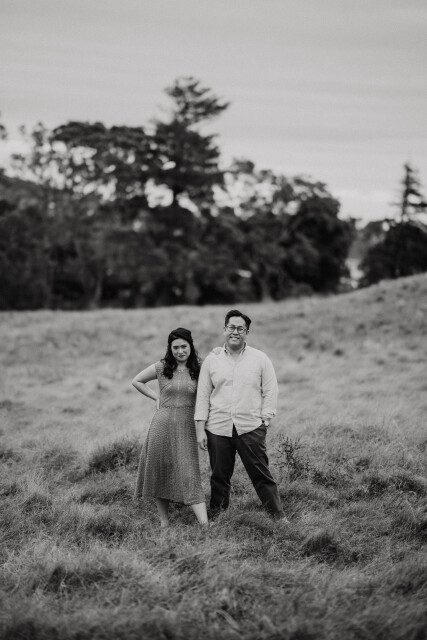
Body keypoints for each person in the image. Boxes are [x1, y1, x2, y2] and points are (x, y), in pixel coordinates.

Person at [194, 310, 286, 520]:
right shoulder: (212, 360)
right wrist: (200, 429)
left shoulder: (260, 358)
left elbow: (270, 390)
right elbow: (202, 396)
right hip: (217, 428)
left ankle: (278, 516)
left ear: (247, 332)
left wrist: (265, 420)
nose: (235, 332)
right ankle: (218, 517)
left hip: (250, 427)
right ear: (224, 329)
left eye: (240, 328)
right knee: (219, 476)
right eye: (231, 327)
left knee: (261, 474)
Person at [133, 328, 208, 527]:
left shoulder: (201, 367)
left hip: (186, 426)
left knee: (189, 472)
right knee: (161, 471)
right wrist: (155, 397)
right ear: (170, 348)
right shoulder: (162, 367)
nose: (180, 351)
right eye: (175, 347)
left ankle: (205, 525)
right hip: (161, 424)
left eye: (184, 346)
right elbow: (137, 381)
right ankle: (164, 522)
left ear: (191, 346)